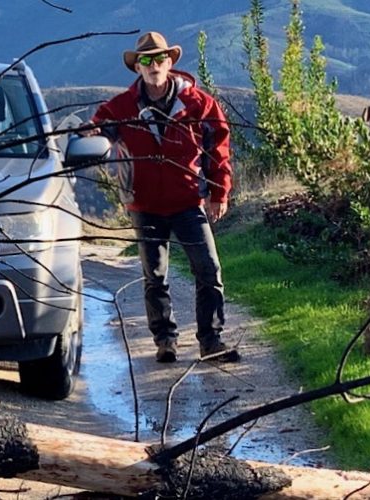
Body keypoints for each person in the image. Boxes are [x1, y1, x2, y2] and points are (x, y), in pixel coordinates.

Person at [83, 31, 239, 363]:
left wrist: (218, 193)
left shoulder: (199, 103)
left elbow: (218, 151)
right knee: (155, 277)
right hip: (145, 205)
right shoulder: (121, 107)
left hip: (188, 203)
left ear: (170, 63)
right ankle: (165, 341)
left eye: (159, 59)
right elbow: (98, 131)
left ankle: (211, 341)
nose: (153, 65)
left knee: (209, 271)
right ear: (137, 67)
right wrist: (91, 133)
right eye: (146, 60)